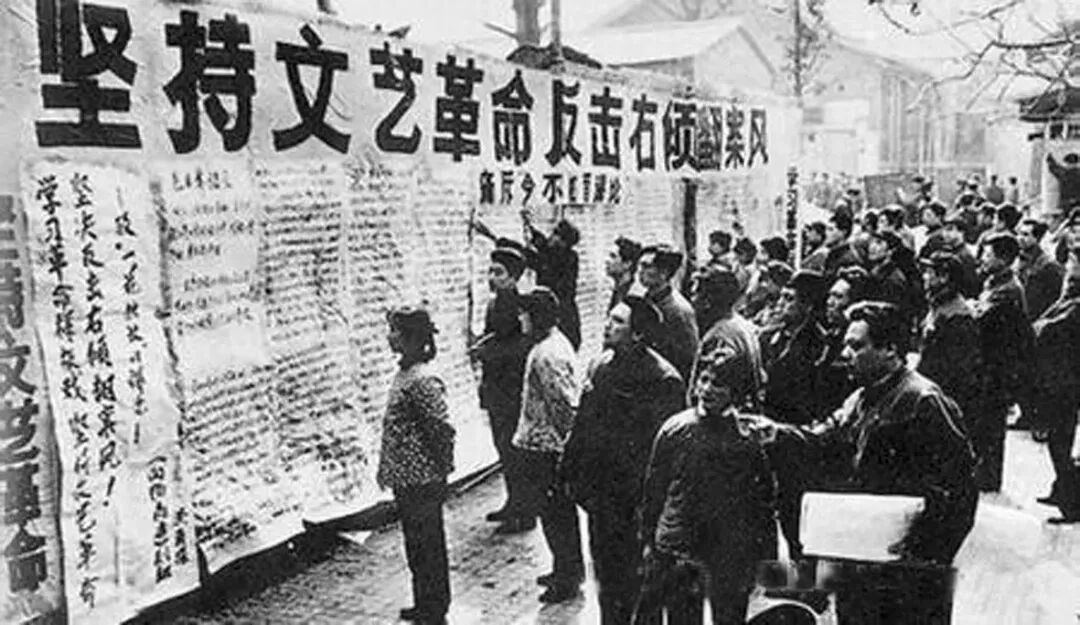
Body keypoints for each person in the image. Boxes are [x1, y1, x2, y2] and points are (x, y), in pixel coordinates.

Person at [748, 302, 977, 623]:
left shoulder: (924, 401)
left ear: (890, 349)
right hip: (863, 556)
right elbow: (823, 438)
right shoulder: (860, 398)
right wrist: (775, 433)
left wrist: (922, 553)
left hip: (908, 570)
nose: (845, 354)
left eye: (856, 346)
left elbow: (960, 491)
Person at [562, 296, 685, 624]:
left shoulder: (663, 380)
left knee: (642, 588)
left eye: (618, 321)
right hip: (602, 500)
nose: (608, 325)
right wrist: (571, 475)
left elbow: (665, 455)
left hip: (637, 505)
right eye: (610, 317)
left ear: (639, 334)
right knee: (607, 581)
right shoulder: (600, 366)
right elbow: (582, 425)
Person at [635, 346, 778, 625]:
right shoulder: (675, 429)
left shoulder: (749, 438)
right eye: (704, 380)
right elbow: (654, 492)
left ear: (735, 392)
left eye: (719, 384)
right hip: (680, 547)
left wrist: (765, 559)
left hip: (729, 550)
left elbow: (763, 501)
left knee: (729, 616)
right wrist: (650, 542)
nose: (707, 389)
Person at [378, 307, 455, 625]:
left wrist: (441, 471)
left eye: (395, 330)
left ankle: (434, 607)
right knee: (416, 546)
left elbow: (441, 429)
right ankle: (424, 601)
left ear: (410, 337)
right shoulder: (407, 374)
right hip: (408, 478)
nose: (390, 336)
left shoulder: (422, 379)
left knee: (428, 546)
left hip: (422, 480)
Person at [514, 287, 584, 602]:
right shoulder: (551, 344)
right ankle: (564, 568)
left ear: (536, 316)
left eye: (524, 313)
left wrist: (567, 449)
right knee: (554, 515)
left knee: (556, 516)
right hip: (545, 444)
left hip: (548, 447)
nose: (520, 319)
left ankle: (567, 579)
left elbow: (564, 405)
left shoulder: (547, 355)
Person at [759, 270, 829, 560]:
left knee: (795, 510)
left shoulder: (818, 344)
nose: (781, 304)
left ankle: (804, 572)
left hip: (795, 436)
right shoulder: (774, 335)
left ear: (807, 306)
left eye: (789, 299)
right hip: (771, 431)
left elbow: (816, 396)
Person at [470, 243, 534, 532]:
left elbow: (523, 346)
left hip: (512, 389)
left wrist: (489, 352)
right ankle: (513, 501)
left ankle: (525, 511)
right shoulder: (494, 304)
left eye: (499, 273)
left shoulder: (522, 307)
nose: (492, 277)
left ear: (514, 277)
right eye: (491, 271)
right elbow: (494, 336)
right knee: (503, 447)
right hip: (496, 387)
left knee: (515, 450)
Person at [974, 232, 1035, 492]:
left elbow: (982, 317)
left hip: (999, 366)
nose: (983, 259)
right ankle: (985, 472)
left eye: (988, 255)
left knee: (991, 422)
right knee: (986, 421)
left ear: (1003, 258)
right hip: (991, 362)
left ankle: (989, 477)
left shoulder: (1008, 289)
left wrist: (974, 309)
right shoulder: (995, 282)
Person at [1032, 266, 1080, 523]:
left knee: (1060, 442)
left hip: (1067, 384)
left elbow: (1047, 328)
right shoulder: (1069, 300)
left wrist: (1041, 326)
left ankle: (1071, 504)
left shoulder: (1075, 307)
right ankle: (1061, 489)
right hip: (1060, 381)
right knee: (1059, 440)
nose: (1069, 277)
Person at [918, 252, 982, 435]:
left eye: (929, 272)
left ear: (944, 277)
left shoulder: (957, 317)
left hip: (945, 397)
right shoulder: (940, 304)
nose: (925, 277)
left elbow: (956, 369)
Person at [689, 267, 765, 404]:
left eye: (695, 294)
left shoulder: (718, 338)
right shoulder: (741, 324)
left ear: (707, 302)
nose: (691, 300)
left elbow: (709, 393)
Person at [638, 244, 699, 381]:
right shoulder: (647, 299)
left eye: (647, 266)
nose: (640, 271)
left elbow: (689, 358)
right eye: (640, 265)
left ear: (664, 273)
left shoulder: (679, 311)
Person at [522, 212, 582, 350]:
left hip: (562, 318)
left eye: (555, 234)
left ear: (563, 242)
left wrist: (494, 238)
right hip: (565, 315)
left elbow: (538, 257)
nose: (551, 236)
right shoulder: (562, 254)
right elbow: (542, 243)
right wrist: (529, 226)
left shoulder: (564, 260)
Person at [1017, 218, 1065, 322]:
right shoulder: (1016, 258)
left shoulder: (1048, 265)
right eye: (1019, 233)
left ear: (1037, 238)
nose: (1019, 238)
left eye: (1025, 235)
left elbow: (1055, 298)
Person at [607, 236, 643, 313]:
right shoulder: (619, 290)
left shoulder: (633, 297)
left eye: (613, 257)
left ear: (627, 264)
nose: (607, 261)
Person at [823, 212, 861, 276]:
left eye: (830, 229)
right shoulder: (833, 253)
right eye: (826, 229)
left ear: (843, 232)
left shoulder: (848, 259)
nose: (825, 233)